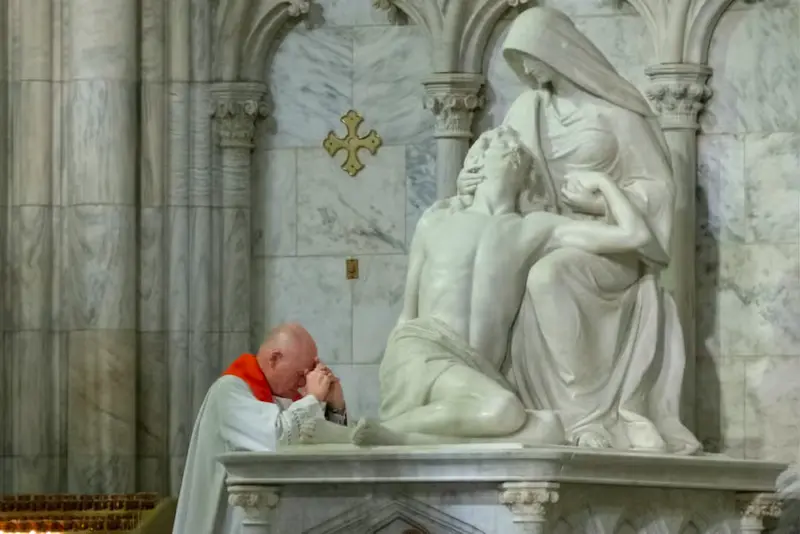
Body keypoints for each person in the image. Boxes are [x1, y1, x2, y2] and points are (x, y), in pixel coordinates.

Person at [457, 6, 701, 454]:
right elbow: (493, 163)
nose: (526, 69)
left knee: (549, 277)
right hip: (542, 233)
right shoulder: (526, 109)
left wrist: (602, 199)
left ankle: (585, 416)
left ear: (557, 51)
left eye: (529, 55)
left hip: (609, 246)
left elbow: (660, 190)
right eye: (517, 60)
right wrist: (467, 182)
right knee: (476, 269)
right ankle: (473, 397)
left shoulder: (617, 116)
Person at [350, 125, 660, 447]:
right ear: (476, 163)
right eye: (497, 143)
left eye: (514, 145)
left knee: (549, 429)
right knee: (503, 410)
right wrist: (394, 369)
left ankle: (396, 434)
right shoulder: (437, 220)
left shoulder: (534, 228)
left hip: (478, 373)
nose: (512, 145)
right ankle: (386, 432)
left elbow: (636, 236)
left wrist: (602, 183)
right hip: (422, 351)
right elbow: (408, 313)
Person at [172, 323, 350, 534]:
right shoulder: (230, 391)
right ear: (274, 359)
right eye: (301, 374)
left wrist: (334, 406)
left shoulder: (287, 400)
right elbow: (278, 439)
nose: (304, 382)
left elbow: (319, 451)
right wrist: (312, 399)